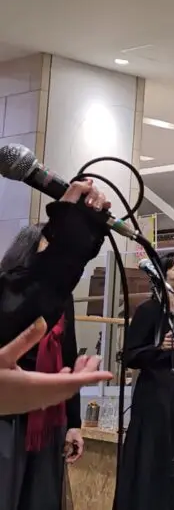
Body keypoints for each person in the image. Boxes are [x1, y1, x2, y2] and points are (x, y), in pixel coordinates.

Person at [0, 180, 110, 510]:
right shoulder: (10, 296)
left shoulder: (60, 301)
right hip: (10, 416)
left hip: (48, 415)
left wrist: (73, 423)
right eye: (46, 245)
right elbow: (31, 292)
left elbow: (67, 359)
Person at [114, 250, 174, 510]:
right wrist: (158, 348)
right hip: (157, 400)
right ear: (162, 275)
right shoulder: (150, 310)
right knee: (154, 465)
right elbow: (130, 355)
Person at [0, 321, 110, 418]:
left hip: (53, 409)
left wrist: (74, 423)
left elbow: (69, 356)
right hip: (17, 408)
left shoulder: (60, 306)